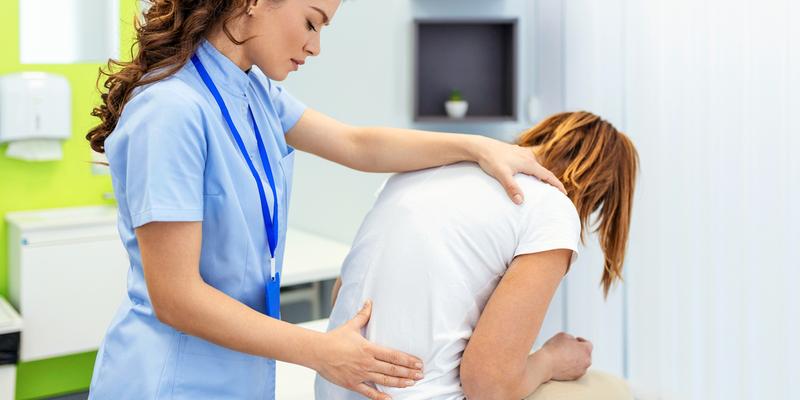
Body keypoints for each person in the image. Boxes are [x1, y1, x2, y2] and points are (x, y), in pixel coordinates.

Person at [84, 0, 566, 399]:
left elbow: (358, 145)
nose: (315, 46)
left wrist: (477, 147)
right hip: (168, 379)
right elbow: (176, 298)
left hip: (243, 374)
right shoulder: (170, 109)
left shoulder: (255, 92)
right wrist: (322, 351)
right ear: (253, 3)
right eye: (311, 22)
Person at [317, 111, 639, 399]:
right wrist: (552, 359)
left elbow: (341, 296)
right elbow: (488, 385)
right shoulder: (551, 208)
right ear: (598, 194)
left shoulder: (418, 169)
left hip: (332, 387)